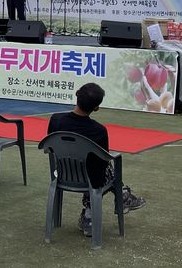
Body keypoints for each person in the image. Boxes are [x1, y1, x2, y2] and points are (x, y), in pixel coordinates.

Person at [47, 83, 146, 237]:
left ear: (77, 94)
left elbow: (49, 148)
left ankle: (97, 211)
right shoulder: (98, 130)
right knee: (104, 166)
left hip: (61, 174)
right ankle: (119, 196)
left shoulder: (56, 120)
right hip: (90, 179)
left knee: (94, 166)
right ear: (96, 108)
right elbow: (103, 159)